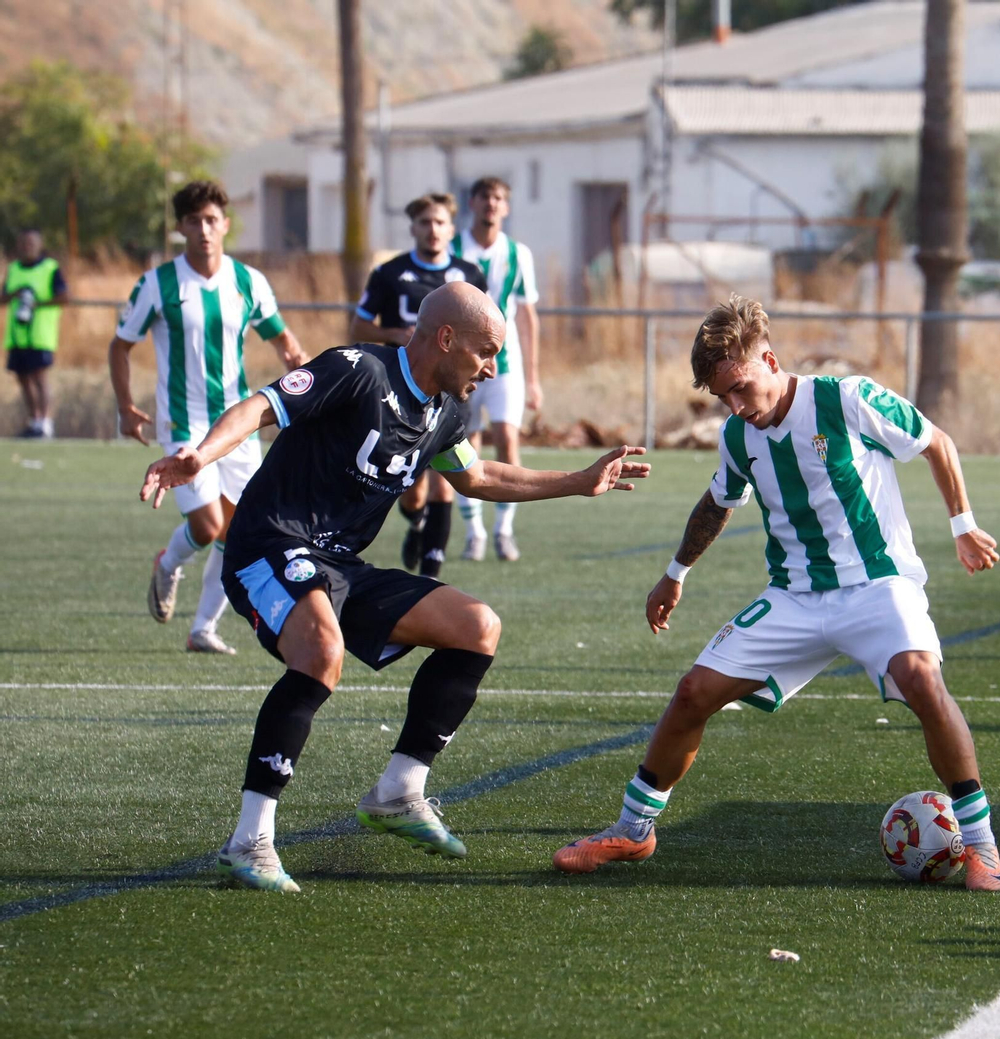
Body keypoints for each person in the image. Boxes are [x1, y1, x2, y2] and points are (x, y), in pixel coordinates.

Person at [140, 282, 649, 893]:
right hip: (268, 546)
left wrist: (578, 480)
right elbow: (262, 407)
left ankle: (399, 791)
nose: (492, 368)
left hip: (336, 564)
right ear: (446, 339)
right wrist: (201, 454)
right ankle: (249, 841)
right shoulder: (358, 370)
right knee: (321, 654)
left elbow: (478, 475)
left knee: (476, 627)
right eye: (486, 351)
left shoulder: (444, 412)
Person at [553, 295, 1000, 890]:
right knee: (693, 693)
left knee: (923, 679)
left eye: (741, 388)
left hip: (877, 585)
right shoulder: (738, 436)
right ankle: (633, 831)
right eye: (723, 398)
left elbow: (935, 442)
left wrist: (963, 525)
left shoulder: (846, 399)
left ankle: (981, 847)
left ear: (768, 358)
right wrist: (675, 573)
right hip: (794, 597)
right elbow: (718, 501)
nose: (737, 407)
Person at [110, 180, 307, 655]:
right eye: (194, 220)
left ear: (225, 224)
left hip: (237, 422)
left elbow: (279, 336)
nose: (204, 229)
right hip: (183, 422)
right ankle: (168, 563)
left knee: (238, 531)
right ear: (180, 227)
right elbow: (121, 346)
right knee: (205, 526)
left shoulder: (248, 282)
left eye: (212, 219)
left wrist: (298, 364)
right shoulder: (157, 284)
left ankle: (202, 629)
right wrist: (124, 405)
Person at [351, 192, 487, 579]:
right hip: (401, 389)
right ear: (413, 228)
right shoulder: (390, 273)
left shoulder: (469, 275)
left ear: (451, 228)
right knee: (412, 491)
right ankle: (416, 522)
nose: (433, 230)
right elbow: (358, 326)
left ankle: (431, 576)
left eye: (440, 222)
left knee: (448, 482)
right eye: (425, 222)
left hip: (450, 388)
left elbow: (484, 330)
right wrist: (394, 332)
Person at [450, 176, 542, 562]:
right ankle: (475, 533)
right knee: (465, 445)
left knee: (507, 438)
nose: (491, 203)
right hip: (462, 363)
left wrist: (534, 378)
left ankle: (504, 531)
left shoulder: (518, 254)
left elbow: (527, 314)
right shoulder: (453, 248)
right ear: (472, 202)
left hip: (505, 365)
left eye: (499, 198)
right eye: (485, 196)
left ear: (506, 207)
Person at [3, 228, 68, 438]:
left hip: (40, 334)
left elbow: (64, 296)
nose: (27, 247)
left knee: (39, 378)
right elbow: (2, 297)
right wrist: (16, 294)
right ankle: (34, 421)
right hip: (17, 335)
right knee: (23, 378)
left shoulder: (50, 268)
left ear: (39, 245)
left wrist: (36, 303)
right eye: (23, 243)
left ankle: (46, 423)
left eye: (31, 243)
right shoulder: (14, 269)